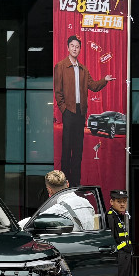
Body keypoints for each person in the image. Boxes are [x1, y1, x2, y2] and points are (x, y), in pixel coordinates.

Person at [52, 35, 115, 187]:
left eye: (77, 46)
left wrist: (104, 80)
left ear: (80, 49)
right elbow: (58, 92)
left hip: (80, 113)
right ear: (68, 48)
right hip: (68, 112)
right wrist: (64, 109)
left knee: (78, 150)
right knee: (66, 149)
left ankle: (75, 183)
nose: (75, 48)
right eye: (72, 46)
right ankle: (64, 183)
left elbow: (93, 86)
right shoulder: (60, 66)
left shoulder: (83, 69)